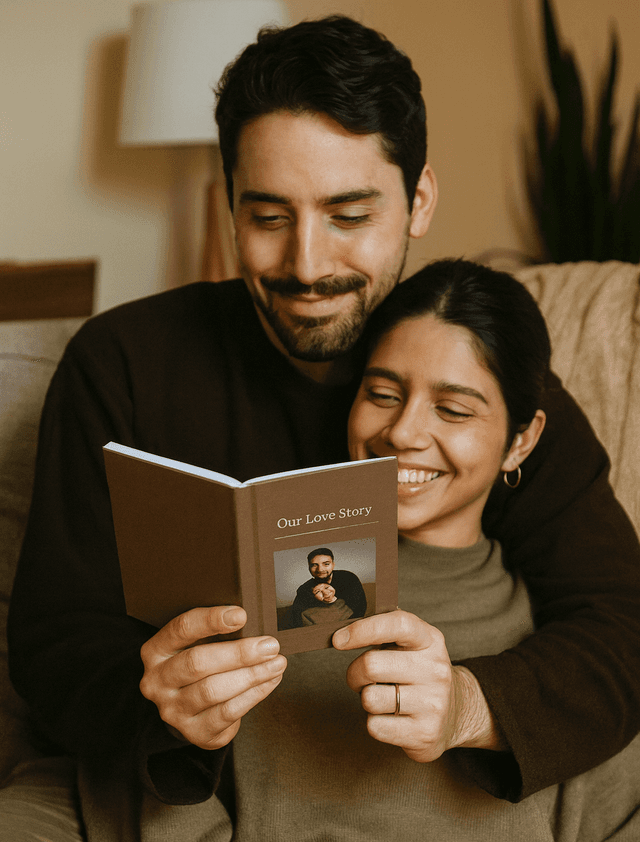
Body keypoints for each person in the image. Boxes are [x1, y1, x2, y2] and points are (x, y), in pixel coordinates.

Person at [4, 14, 640, 841]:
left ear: (418, 202)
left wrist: (472, 706)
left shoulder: (469, 378)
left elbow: (622, 621)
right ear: (226, 202)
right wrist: (159, 705)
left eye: (348, 215)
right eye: (268, 217)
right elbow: (52, 640)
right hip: (165, 786)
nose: (307, 264)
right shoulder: (123, 361)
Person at [286, 547, 367, 628]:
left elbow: (360, 608)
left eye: (326, 564)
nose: (320, 569)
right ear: (309, 567)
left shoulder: (348, 578)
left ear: (333, 565)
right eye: (314, 565)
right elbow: (297, 618)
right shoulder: (303, 589)